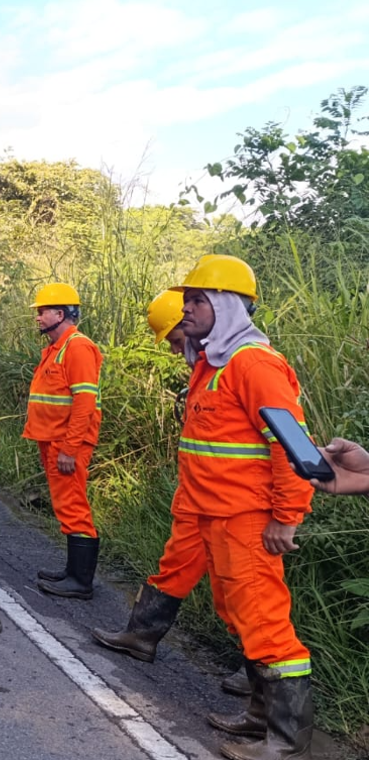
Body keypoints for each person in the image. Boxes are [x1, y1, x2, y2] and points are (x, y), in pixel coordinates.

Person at [170, 254, 315, 760]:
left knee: (267, 625)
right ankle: (259, 719)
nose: (186, 308)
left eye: (197, 299)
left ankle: (286, 743)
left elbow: (289, 443)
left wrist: (287, 515)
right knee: (238, 615)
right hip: (215, 515)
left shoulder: (254, 364)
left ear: (227, 305)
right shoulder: (214, 363)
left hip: (248, 518)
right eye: (187, 298)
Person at [91, 289, 249, 696]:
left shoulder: (242, 365)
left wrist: (286, 514)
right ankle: (141, 635)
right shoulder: (206, 368)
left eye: (178, 341)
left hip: (232, 505)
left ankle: (258, 673)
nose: (179, 351)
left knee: (238, 592)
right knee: (174, 567)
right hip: (198, 500)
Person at [23, 283, 104, 599]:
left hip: (66, 444)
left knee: (73, 507)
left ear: (61, 313)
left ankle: (80, 581)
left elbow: (85, 402)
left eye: (42, 312)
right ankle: (73, 573)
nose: (39, 318)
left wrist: (70, 448)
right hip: (53, 440)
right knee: (66, 506)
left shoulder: (78, 347)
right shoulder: (57, 349)